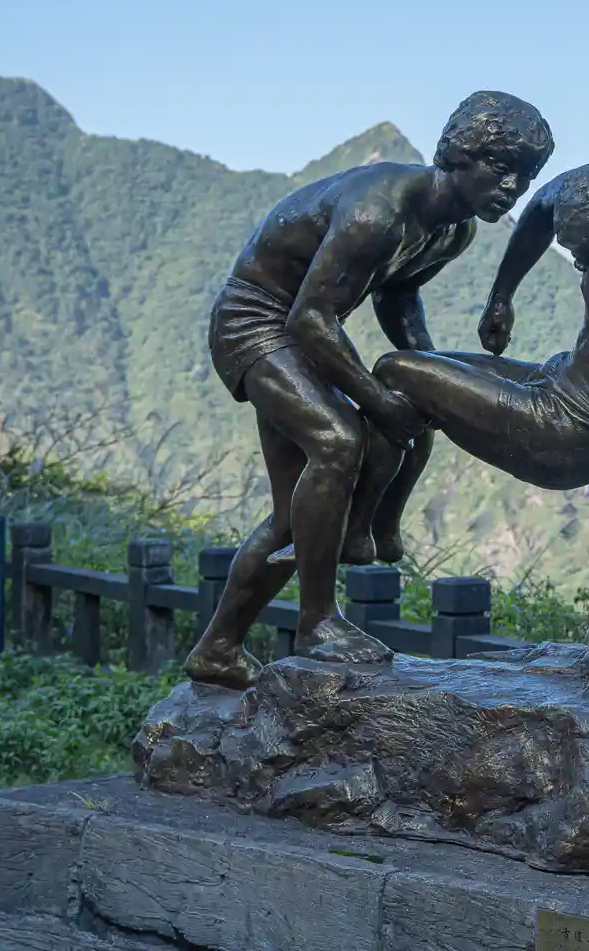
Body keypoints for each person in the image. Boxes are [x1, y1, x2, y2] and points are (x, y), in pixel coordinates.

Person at [182, 91, 554, 689]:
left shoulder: (452, 232)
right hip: (257, 323)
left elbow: (397, 296)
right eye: (502, 167)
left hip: (304, 330)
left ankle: (217, 649)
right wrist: (379, 398)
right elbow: (309, 316)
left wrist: (428, 373)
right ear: (462, 154)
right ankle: (317, 622)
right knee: (337, 439)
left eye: (527, 176)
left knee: (290, 517)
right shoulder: (377, 213)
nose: (513, 186)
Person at [330, 162, 589, 612]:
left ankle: (362, 528)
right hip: (553, 379)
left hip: (575, 432)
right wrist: (502, 296)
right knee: (413, 371)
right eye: (582, 260)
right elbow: (541, 207)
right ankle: (378, 529)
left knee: (394, 370)